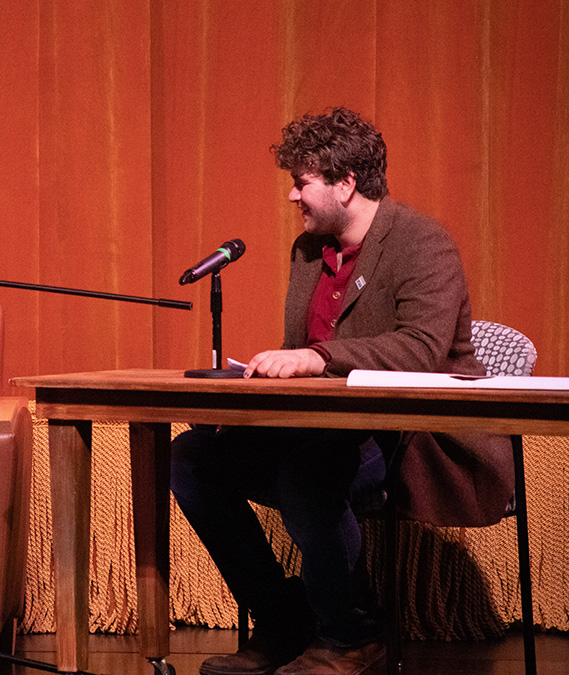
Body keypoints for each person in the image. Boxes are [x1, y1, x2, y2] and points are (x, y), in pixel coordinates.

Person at [171, 108, 514, 675]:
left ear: (345, 183)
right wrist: (252, 409)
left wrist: (317, 356)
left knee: (311, 468)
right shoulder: (308, 253)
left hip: (410, 433)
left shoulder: (422, 243)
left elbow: (421, 351)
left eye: (301, 182)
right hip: (320, 427)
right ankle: (285, 621)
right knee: (194, 456)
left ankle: (354, 634)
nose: (291, 196)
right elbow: (298, 364)